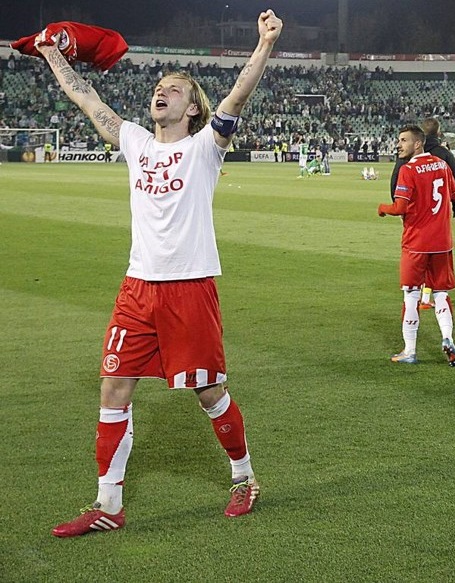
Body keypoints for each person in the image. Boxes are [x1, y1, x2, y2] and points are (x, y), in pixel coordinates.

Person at [43, 9, 283, 537]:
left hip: (190, 287)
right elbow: (88, 100)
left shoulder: (204, 149)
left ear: (192, 107)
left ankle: (244, 478)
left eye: (173, 89)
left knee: (210, 393)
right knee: (112, 389)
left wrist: (264, 43)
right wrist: (54, 55)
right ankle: (108, 505)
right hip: (137, 288)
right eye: (158, 86)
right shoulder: (135, 141)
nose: (161, 92)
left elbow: (237, 97)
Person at [377, 125, 455, 367]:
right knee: (440, 293)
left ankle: (410, 350)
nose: (398, 144)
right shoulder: (442, 165)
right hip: (443, 242)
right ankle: (447, 337)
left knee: (412, 294)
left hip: (417, 243)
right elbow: (454, 196)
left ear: (418, 144)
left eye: (403, 140)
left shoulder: (408, 170)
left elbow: (400, 208)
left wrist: (382, 209)